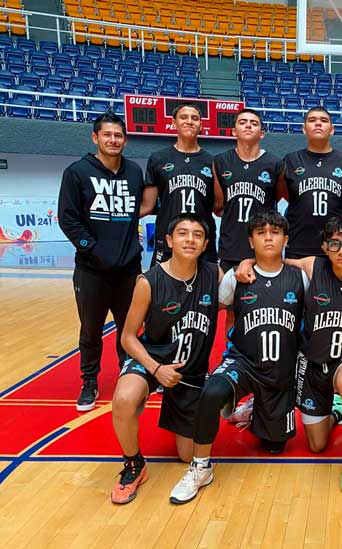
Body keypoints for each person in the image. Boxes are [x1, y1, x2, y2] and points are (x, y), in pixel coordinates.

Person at [237, 215, 342, 494]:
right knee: (316, 444)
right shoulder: (312, 266)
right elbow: (273, 261)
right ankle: (340, 411)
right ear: (324, 248)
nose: (341, 250)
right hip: (312, 365)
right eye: (334, 244)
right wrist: (246, 262)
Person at [168, 211, 305, 505]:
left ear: (286, 239)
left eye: (275, 232)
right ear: (251, 241)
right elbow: (210, 308)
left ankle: (257, 408)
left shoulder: (299, 278)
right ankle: (201, 467)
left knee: (275, 446)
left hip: (280, 372)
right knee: (212, 391)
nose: (268, 237)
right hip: (243, 363)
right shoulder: (236, 277)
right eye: (261, 232)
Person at [109, 214, 220, 504]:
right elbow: (128, 337)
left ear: (206, 243)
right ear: (169, 240)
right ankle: (134, 465)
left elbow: (243, 278)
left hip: (190, 372)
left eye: (197, 235)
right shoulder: (149, 281)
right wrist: (155, 369)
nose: (190, 239)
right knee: (124, 399)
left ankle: (179, 409)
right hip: (153, 358)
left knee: (187, 456)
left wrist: (245, 266)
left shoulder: (213, 274)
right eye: (182, 233)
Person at [58, 112, 144, 411]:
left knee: (129, 328)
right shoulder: (77, 172)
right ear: (95, 137)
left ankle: (129, 374)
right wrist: (92, 248)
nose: (113, 140)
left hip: (128, 269)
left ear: (125, 139)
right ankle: (89, 381)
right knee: (91, 329)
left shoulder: (134, 172)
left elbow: (140, 211)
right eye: (107, 135)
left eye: (118, 135)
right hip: (92, 270)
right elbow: (68, 218)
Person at [140, 103, 217, 266]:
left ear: (201, 125)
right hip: (167, 241)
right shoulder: (158, 159)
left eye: (194, 118)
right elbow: (147, 206)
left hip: (201, 242)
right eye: (183, 117)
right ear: (173, 123)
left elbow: (218, 205)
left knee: (203, 290)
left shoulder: (213, 162)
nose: (189, 121)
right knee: (161, 290)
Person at [212, 108, 286, 276]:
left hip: (264, 248)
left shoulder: (275, 164)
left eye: (254, 123)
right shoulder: (220, 161)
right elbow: (218, 206)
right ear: (233, 131)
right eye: (242, 122)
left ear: (262, 134)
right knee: (226, 300)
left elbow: (279, 196)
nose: (248, 126)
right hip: (230, 247)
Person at [282, 107, 342, 259]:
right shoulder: (290, 160)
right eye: (312, 120)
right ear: (304, 129)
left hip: (338, 247)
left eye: (323, 121)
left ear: (332, 130)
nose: (318, 124)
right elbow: (284, 194)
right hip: (299, 244)